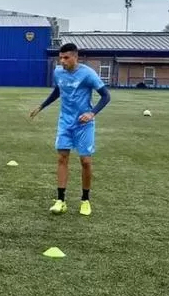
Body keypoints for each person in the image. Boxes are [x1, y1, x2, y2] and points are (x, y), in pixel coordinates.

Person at [30, 43, 111, 216]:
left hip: (84, 124)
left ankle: (85, 200)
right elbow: (58, 91)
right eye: (60, 57)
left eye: (66, 57)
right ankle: (60, 200)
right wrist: (42, 106)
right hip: (65, 122)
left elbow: (106, 96)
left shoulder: (88, 74)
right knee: (62, 158)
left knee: (85, 162)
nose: (62, 61)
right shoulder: (58, 72)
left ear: (75, 57)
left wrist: (92, 113)